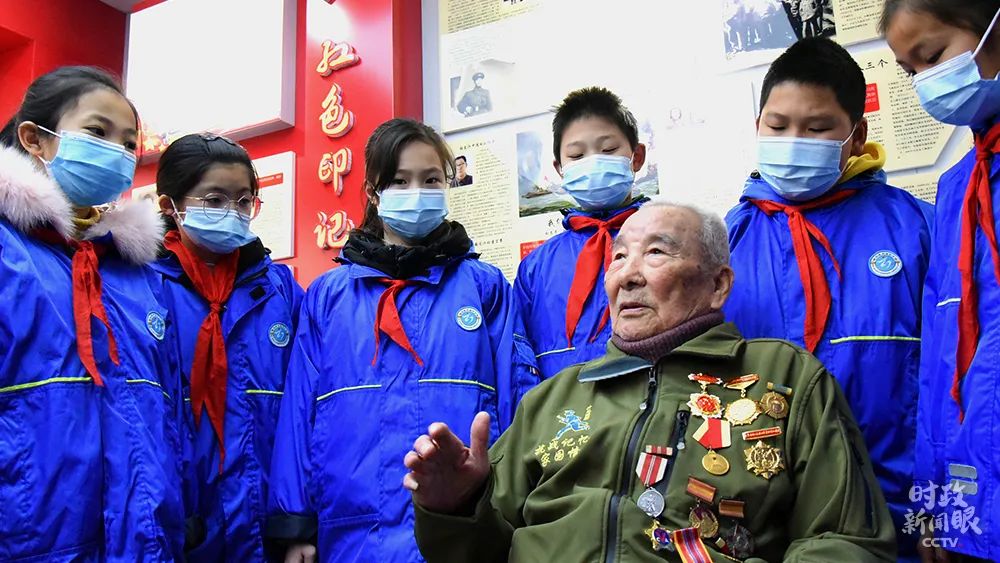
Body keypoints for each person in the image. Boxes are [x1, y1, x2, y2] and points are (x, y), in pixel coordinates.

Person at [406, 201, 897, 562]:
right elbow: (478, 553)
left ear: (718, 284)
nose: (627, 276)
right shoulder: (554, 399)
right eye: (619, 257)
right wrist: (457, 507)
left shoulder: (785, 378)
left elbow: (846, 541)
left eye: (656, 252)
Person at [266, 118, 539, 562]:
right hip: (352, 536)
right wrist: (295, 525)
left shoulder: (484, 286)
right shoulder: (329, 296)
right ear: (373, 192)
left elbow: (518, 398)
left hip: (462, 530)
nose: (417, 192)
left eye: (430, 180)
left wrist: (517, 505)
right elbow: (298, 412)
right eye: (400, 180)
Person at [723, 37, 932, 562]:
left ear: (856, 135)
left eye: (817, 129)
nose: (794, 141)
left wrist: (947, 507)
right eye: (777, 126)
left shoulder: (918, 229)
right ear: (757, 125)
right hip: (764, 525)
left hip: (903, 519)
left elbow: (957, 375)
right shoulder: (725, 243)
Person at [0, 66, 185, 560]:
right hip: (33, 536)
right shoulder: (9, 251)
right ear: (35, 139)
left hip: (144, 535)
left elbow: (170, 409)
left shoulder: (138, 271)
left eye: (128, 144)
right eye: (97, 132)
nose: (116, 153)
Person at [883, 1, 1000, 561]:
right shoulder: (958, 186)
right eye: (911, 71)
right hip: (974, 510)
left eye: (932, 57)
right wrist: (937, 505)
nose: (926, 84)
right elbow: (941, 363)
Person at [153, 133, 304, 561]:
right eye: (215, 200)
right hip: (177, 526)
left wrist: (296, 524)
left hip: (263, 524)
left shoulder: (279, 290)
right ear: (170, 205)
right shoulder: (139, 285)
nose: (233, 213)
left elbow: (304, 410)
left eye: (244, 201)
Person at [513, 86, 647, 378]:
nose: (593, 162)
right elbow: (520, 364)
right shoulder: (536, 268)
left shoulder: (671, 245)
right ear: (560, 169)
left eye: (608, 150)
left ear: (636, 157)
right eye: (576, 155)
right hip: (565, 406)